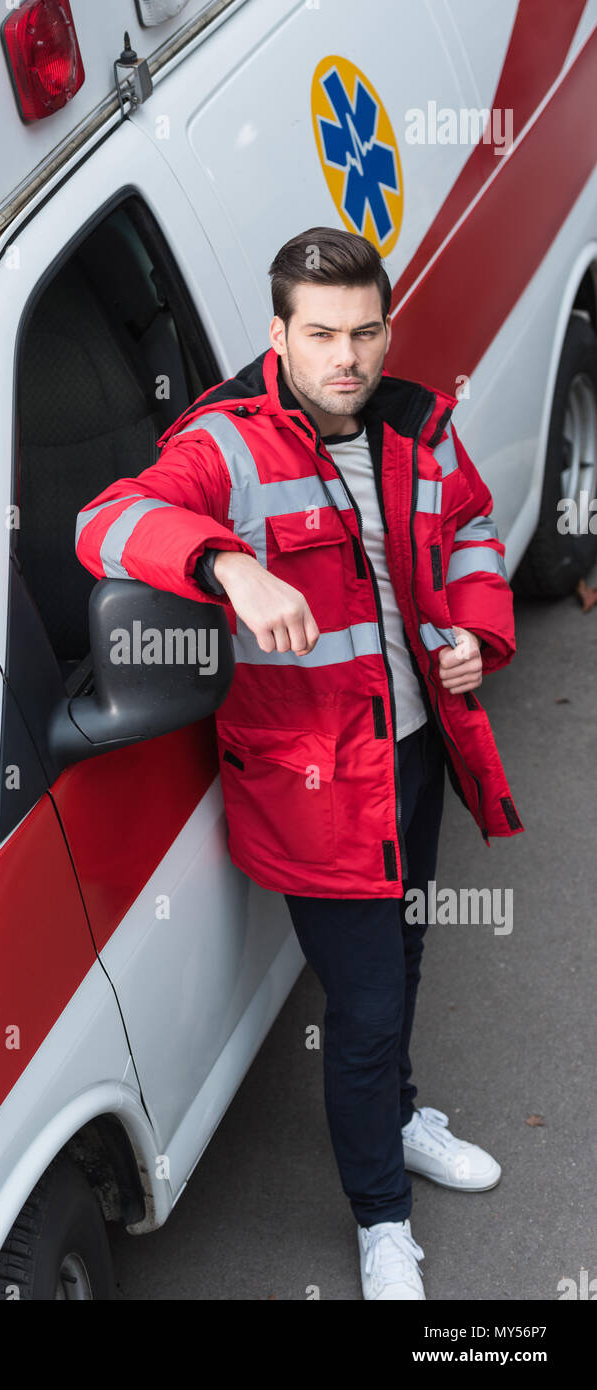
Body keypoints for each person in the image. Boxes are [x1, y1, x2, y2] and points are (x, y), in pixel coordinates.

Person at [74, 226, 523, 1300]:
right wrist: (228, 562)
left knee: (405, 959)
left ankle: (403, 1114)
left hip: (419, 756)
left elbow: (467, 530)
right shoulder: (225, 444)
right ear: (278, 332)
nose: (349, 359)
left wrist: (472, 633)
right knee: (363, 1006)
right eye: (321, 334)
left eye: (366, 331)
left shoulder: (418, 424)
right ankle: (381, 1221)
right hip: (319, 783)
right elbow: (107, 520)